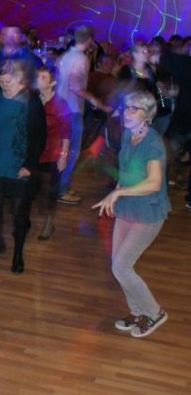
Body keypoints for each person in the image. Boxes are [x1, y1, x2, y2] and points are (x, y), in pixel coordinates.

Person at [92, 91, 170, 338]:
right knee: (119, 265)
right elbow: (125, 172)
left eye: (134, 109)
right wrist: (116, 193)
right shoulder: (127, 134)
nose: (126, 112)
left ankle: (155, 312)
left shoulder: (153, 143)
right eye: (126, 107)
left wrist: (118, 192)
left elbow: (154, 183)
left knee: (122, 267)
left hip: (148, 211)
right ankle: (137, 312)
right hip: (126, 207)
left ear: (147, 114)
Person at [0, 59, 45, 274]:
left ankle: (18, 254)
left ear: (19, 78)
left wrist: (30, 165)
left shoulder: (31, 101)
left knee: (19, 213)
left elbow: (39, 136)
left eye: (8, 82)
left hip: (19, 164)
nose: (4, 86)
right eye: (1, 82)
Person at [55, 25, 110, 204]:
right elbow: (76, 87)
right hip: (72, 110)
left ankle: (58, 186)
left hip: (60, 107)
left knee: (62, 150)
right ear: (90, 40)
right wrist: (97, 101)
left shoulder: (65, 55)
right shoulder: (81, 59)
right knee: (71, 151)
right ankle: (61, 190)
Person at [35, 67, 70, 241]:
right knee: (34, 188)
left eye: (42, 77)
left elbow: (66, 133)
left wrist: (63, 156)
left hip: (52, 153)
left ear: (53, 82)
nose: (37, 79)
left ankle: (49, 224)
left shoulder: (60, 104)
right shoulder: (33, 100)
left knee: (49, 190)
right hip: (34, 152)